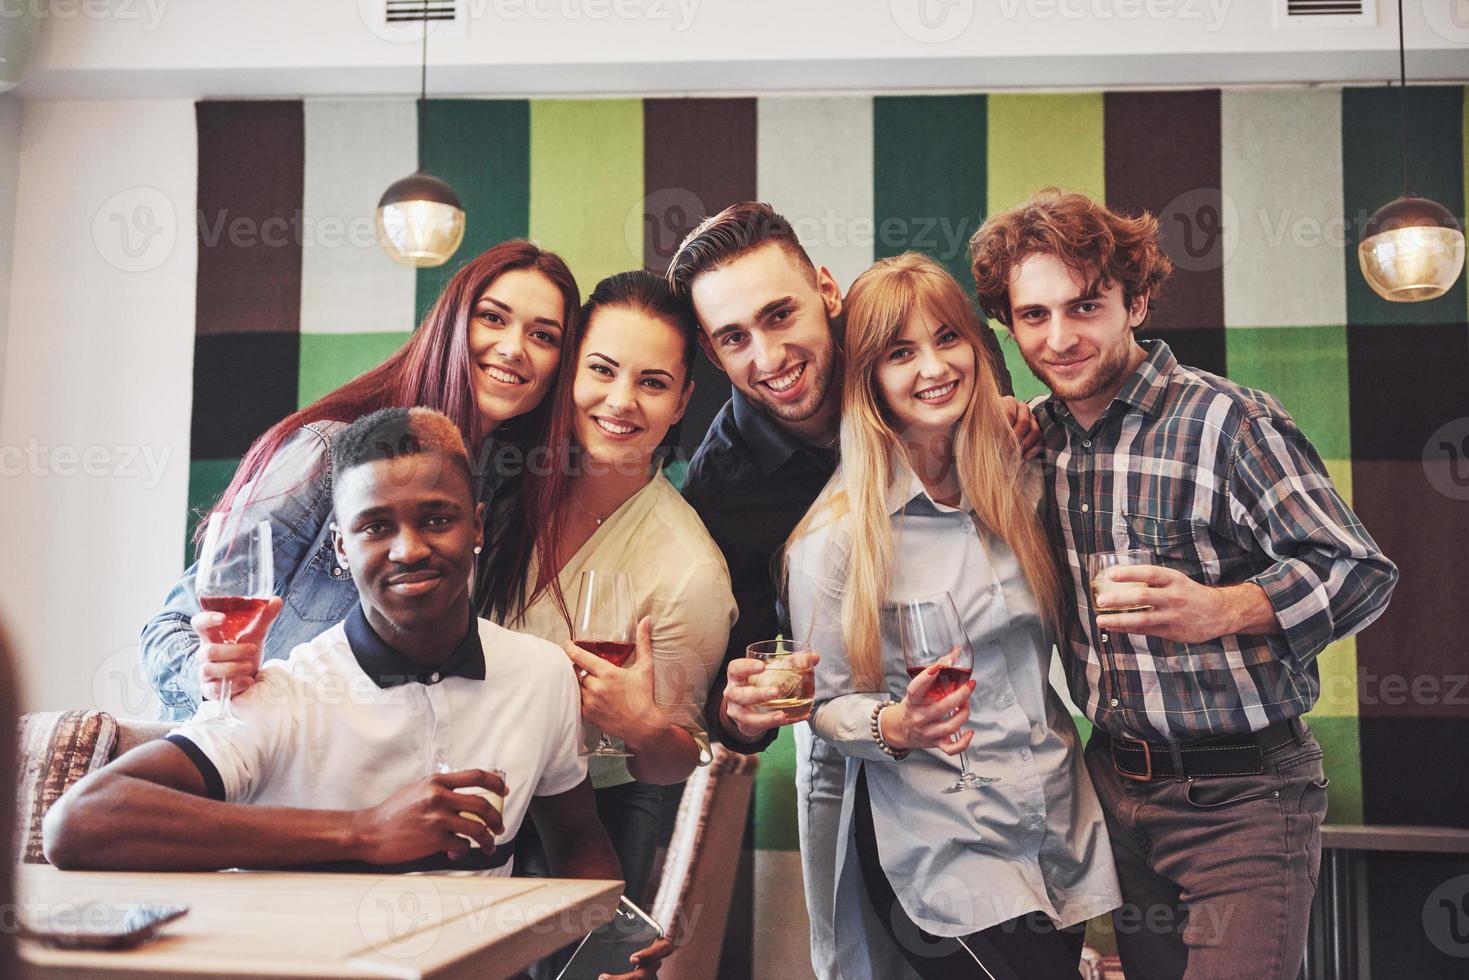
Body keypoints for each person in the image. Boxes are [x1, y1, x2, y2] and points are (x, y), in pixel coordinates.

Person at [47, 408, 667, 980]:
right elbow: (79, 823)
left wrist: (609, 943)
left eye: (436, 518)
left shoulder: (542, 675)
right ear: (343, 548)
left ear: (476, 524)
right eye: (375, 527)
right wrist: (364, 832)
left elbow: (578, 839)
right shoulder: (282, 694)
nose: (408, 548)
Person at [969, 189, 1399, 980]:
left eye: (1085, 306)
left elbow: (1357, 570)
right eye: (1033, 316)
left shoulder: (1227, 422)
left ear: (1134, 303)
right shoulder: (1034, 439)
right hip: (1112, 790)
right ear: (1008, 322)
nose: (1059, 338)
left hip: (1244, 803)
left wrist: (1221, 609)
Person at [666, 202, 1036, 979]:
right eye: (735, 338)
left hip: (1010, 751)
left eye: (780, 314)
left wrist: (1001, 425)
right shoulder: (723, 490)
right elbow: (747, 695)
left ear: (825, 290)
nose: (768, 355)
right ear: (710, 348)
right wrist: (736, 713)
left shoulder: (922, 352)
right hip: (869, 774)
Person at [785, 252, 1121, 980]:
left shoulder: (1017, 484)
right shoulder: (835, 541)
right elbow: (821, 708)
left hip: (1051, 828)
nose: (933, 367)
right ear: (868, 379)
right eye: (899, 353)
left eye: (947, 338)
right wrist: (893, 726)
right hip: (940, 852)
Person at [141, 240, 580, 721]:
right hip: (255, 757)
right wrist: (205, 674)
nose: (514, 349)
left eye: (543, 336)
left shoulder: (506, 492)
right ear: (451, 326)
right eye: (493, 318)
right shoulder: (327, 451)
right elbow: (172, 628)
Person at [480, 270, 736, 906]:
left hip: (596, 814)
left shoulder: (690, 572)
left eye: (652, 383)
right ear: (569, 373)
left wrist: (645, 728)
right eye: (602, 369)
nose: (621, 401)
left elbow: (678, 757)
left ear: (681, 402)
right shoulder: (493, 484)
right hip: (466, 796)